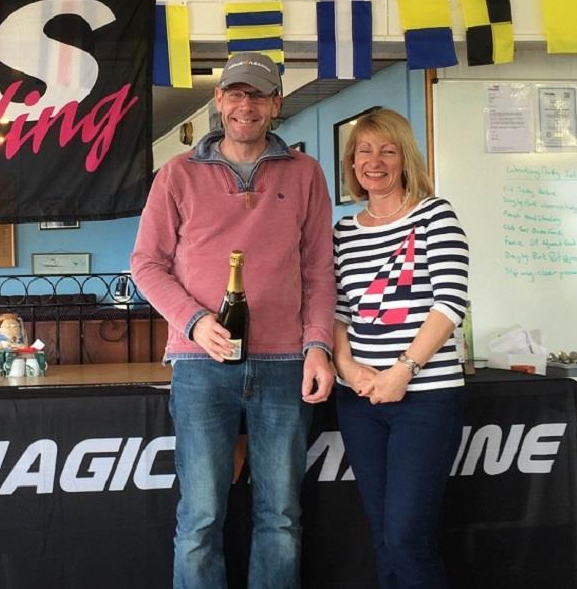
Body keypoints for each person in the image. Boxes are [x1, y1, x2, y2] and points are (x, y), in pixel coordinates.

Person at [131, 52, 336, 588]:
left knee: (282, 519)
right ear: (218, 101)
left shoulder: (307, 173)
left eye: (259, 95)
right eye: (237, 94)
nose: (247, 105)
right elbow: (146, 265)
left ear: (276, 104)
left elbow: (318, 269)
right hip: (200, 364)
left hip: (285, 364)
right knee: (200, 519)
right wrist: (195, 321)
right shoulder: (176, 174)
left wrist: (318, 345)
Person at [332, 108, 469, 589]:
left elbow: (450, 303)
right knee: (385, 539)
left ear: (405, 158)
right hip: (361, 402)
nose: (375, 161)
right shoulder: (344, 233)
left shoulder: (435, 214)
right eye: (364, 151)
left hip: (424, 399)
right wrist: (348, 368)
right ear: (351, 163)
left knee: (408, 535)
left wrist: (403, 370)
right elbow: (340, 314)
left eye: (387, 150)